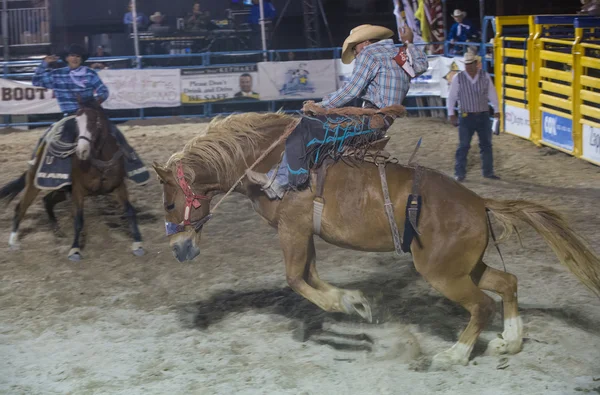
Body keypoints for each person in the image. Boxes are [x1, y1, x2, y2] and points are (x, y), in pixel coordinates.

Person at [245, 24, 428, 199]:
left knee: (307, 127)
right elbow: (421, 65)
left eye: (355, 51)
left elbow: (352, 90)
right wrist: (409, 42)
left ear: (363, 43)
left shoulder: (370, 54)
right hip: (382, 123)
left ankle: (280, 181)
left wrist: (321, 107)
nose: (356, 56)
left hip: (371, 121)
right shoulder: (400, 53)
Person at [30, 44, 144, 180]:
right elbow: (36, 81)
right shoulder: (57, 74)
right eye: (72, 55)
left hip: (90, 114)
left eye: (78, 56)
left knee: (114, 133)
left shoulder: (89, 73)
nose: (75, 58)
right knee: (48, 138)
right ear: (66, 58)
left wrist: (92, 104)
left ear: (81, 59)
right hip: (70, 115)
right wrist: (44, 64)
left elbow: (103, 91)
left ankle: (131, 164)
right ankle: (41, 164)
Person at [446, 52, 500, 182]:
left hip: (483, 115)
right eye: (467, 64)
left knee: (486, 145)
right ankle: (459, 173)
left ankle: (488, 171)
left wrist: (497, 110)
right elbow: (451, 97)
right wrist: (451, 113)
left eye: (471, 64)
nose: (469, 67)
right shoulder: (458, 78)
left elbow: (492, 93)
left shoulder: (485, 76)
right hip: (466, 116)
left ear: (476, 64)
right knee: (464, 145)